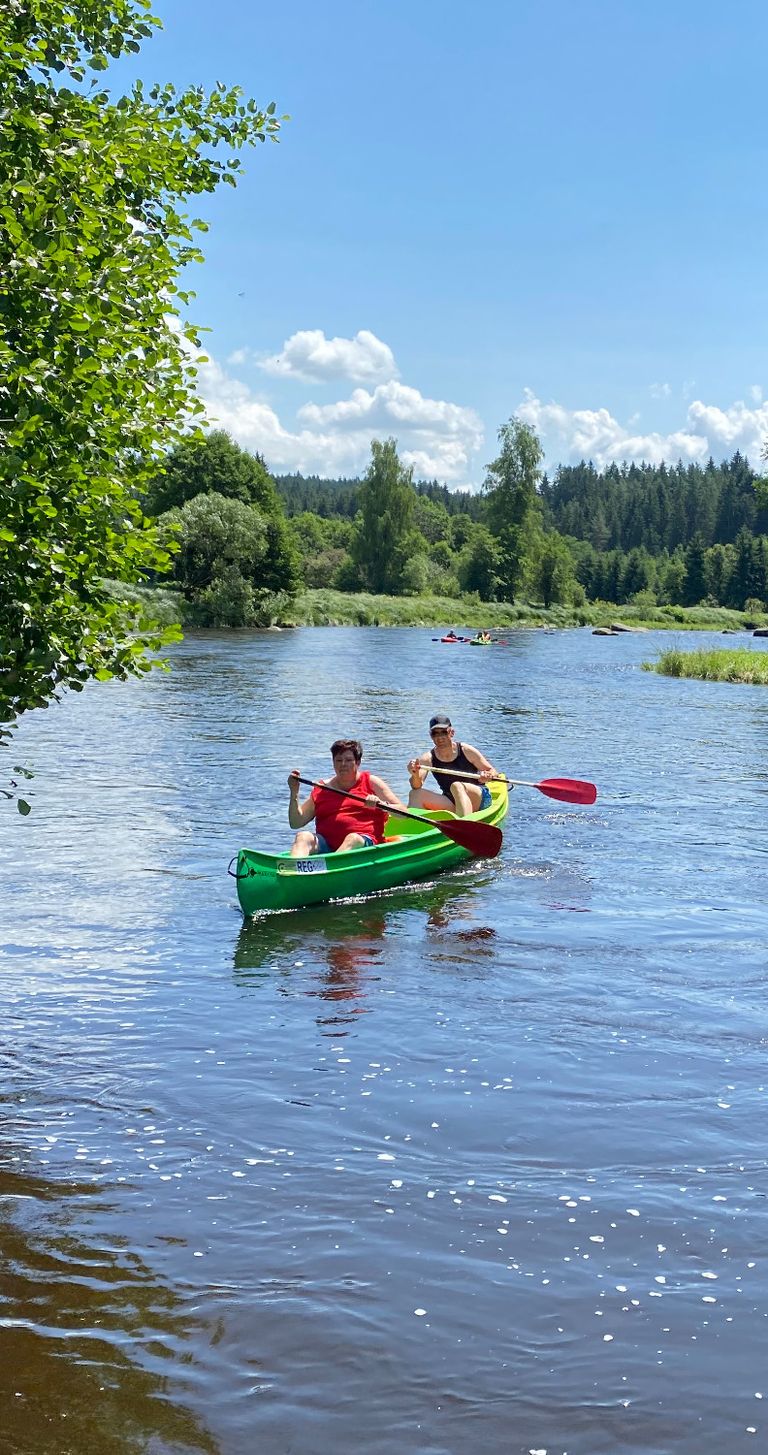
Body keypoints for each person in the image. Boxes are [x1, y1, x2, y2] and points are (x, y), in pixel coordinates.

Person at [288, 739, 406, 856]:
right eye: (339, 760)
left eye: (348, 760)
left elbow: (403, 812)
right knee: (302, 836)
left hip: (364, 844)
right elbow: (296, 822)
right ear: (333, 762)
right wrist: (294, 792)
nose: (343, 764)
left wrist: (382, 805)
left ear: (358, 762)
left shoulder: (372, 782)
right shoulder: (321, 789)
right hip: (327, 845)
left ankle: (333, 865)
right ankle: (293, 867)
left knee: (353, 838)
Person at [406, 714, 499, 817]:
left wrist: (487, 775)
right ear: (431, 735)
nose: (439, 737)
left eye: (443, 732)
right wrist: (415, 774)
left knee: (456, 786)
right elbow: (416, 786)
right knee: (415, 794)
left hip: (478, 798)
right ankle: (415, 824)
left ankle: (463, 823)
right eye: (435, 733)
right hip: (451, 800)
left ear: (451, 732)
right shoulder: (427, 758)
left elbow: (492, 771)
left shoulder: (466, 750)